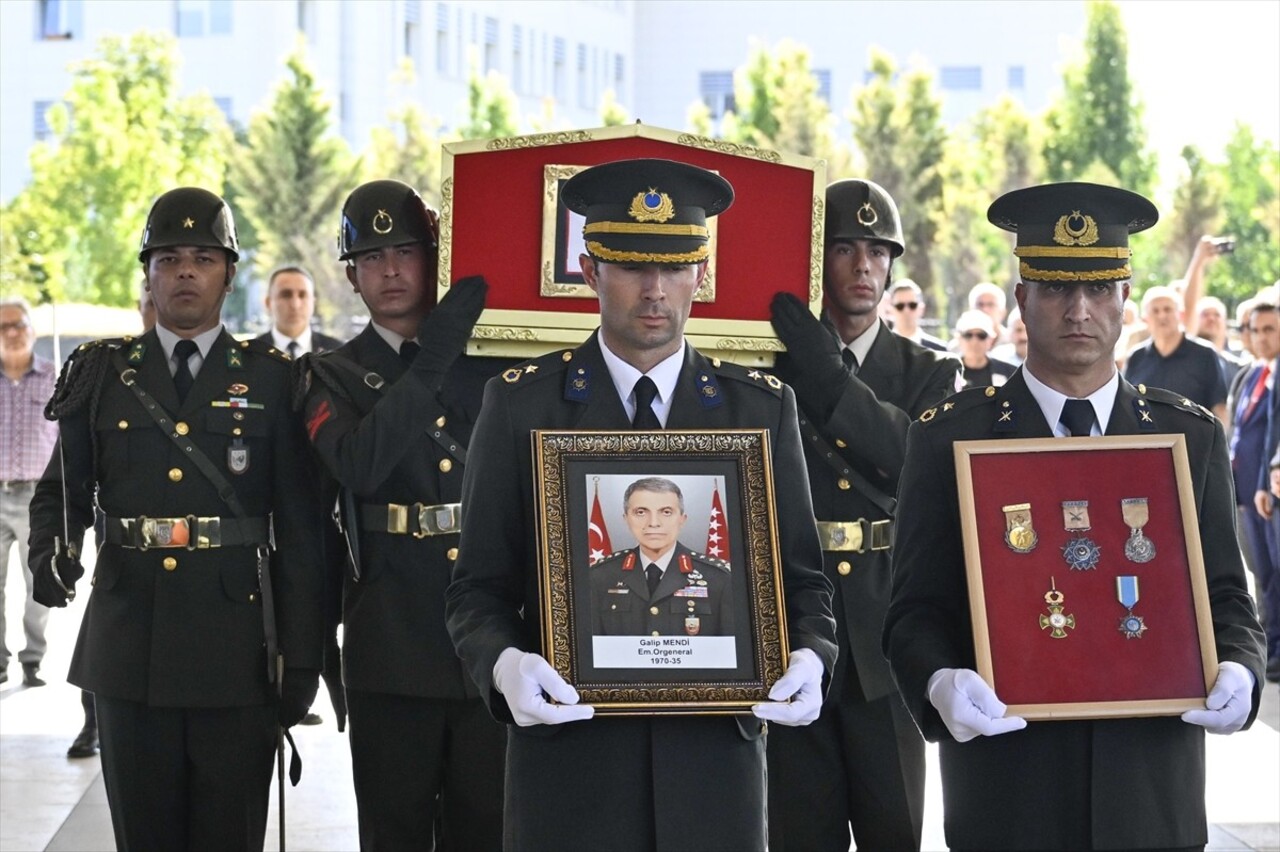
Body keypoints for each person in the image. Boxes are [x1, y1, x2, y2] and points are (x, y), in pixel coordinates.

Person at [445, 158, 838, 852]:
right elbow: (476, 589)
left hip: (713, 771)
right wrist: (505, 666)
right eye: (630, 266)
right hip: (571, 770)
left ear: (701, 276)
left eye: (676, 265)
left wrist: (810, 657)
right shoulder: (520, 404)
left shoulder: (760, 409)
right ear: (591, 273)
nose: (654, 290)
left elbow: (802, 581)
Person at [884, 181, 1266, 851]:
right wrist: (941, 683)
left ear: (1127, 300)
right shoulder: (949, 439)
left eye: (1098, 287)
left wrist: (1240, 668)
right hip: (1009, 795)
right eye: (1057, 287)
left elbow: (1228, 600)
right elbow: (913, 612)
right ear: (1023, 298)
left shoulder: (1187, 437)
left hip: (1150, 795)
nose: (1079, 308)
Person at [27, 186, 326, 850]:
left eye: (202, 257)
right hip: (128, 645)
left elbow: (304, 533)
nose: (185, 271)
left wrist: (303, 657)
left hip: (240, 652)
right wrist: (50, 553)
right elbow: (61, 494)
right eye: (168, 258)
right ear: (148, 274)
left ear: (228, 273)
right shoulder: (100, 373)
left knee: (231, 836)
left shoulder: (275, 381)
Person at [299, 178, 507, 850]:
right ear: (352, 276)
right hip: (388, 636)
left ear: (434, 257)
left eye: (406, 252)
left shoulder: (493, 364)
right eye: (371, 258)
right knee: (394, 828)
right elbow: (359, 465)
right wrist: (435, 357)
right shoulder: (327, 374)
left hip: (492, 631)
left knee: (487, 826)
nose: (390, 271)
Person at [766, 177, 960, 850]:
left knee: (894, 828)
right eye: (844, 249)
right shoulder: (772, 363)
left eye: (878, 252)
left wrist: (824, 375)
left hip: (885, 624)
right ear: (817, 262)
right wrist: (806, 364)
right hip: (795, 615)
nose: (863, 267)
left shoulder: (928, 369)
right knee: (799, 828)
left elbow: (907, 456)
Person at [589, 477, 732, 637]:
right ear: (626, 519)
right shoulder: (600, 576)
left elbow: (730, 654)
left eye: (666, 512)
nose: (654, 523)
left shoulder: (719, 578)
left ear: (682, 519)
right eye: (641, 512)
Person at [1, 297, 58, 689]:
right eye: (3, 327)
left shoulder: (55, 378)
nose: (12, 333)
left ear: (31, 328)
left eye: (18, 324)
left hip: (37, 498)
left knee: (39, 582)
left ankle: (32, 658)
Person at [1123, 285, 1228, 423]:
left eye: (1168, 310)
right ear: (1145, 319)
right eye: (1155, 311)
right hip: (1149, 441)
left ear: (1181, 315)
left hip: (1195, 441)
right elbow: (1125, 406)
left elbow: (1219, 407)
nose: (1162, 316)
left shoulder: (1205, 355)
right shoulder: (1136, 357)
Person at [256, 265, 343, 357]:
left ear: (313, 302)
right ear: (268, 302)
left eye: (303, 295)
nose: (295, 305)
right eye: (286, 295)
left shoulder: (337, 351)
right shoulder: (251, 354)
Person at [954, 309, 1016, 390]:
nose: (974, 341)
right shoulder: (946, 373)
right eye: (968, 335)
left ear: (991, 340)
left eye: (981, 335)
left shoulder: (1010, 372)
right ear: (958, 338)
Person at [887, 278, 948, 351]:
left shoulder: (939, 350)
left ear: (922, 309)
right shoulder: (880, 350)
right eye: (900, 306)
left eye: (912, 305)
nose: (906, 311)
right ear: (890, 310)